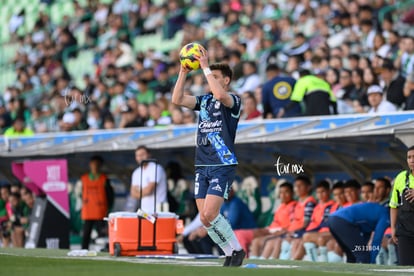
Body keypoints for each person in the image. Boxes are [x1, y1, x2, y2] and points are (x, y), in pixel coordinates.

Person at [172, 46, 245, 266]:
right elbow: (177, 99)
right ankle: (229, 252)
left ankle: (238, 250)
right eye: (208, 76)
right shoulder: (204, 101)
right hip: (201, 164)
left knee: (212, 212)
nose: (208, 79)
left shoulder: (232, 100)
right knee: (204, 217)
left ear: (226, 80)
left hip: (222, 163)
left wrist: (205, 67)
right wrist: (183, 72)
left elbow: (220, 95)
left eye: (215, 77)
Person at [80, 155, 114, 250]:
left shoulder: (104, 179)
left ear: (100, 165)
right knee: (86, 234)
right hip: (88, 211)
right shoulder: (84, 178)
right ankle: (84, 251)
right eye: (93, 164)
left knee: (102, 234)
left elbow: (110, 195)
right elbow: (80, 193)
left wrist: (109, 208)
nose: (95, 166)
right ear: (90, 165)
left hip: (100, 211)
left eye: (97, 164)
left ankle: (104, 250)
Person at [389, 145, 414, 266]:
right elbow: (394, 205)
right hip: (405, 231)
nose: (412, 160)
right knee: (406, 268)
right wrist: (393, 228)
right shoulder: (401, 177)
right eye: (409, 157)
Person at [130, 145, 168, 213]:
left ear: (149, 155)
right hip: (144, 211)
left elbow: (149, 190)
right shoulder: (136, 172)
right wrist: (144, 190)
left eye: (142, 154)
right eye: (138, 155)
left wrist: (138, 191)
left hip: (159, 211)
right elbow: (133, 194)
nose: (140, 157)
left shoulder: (156, 168)